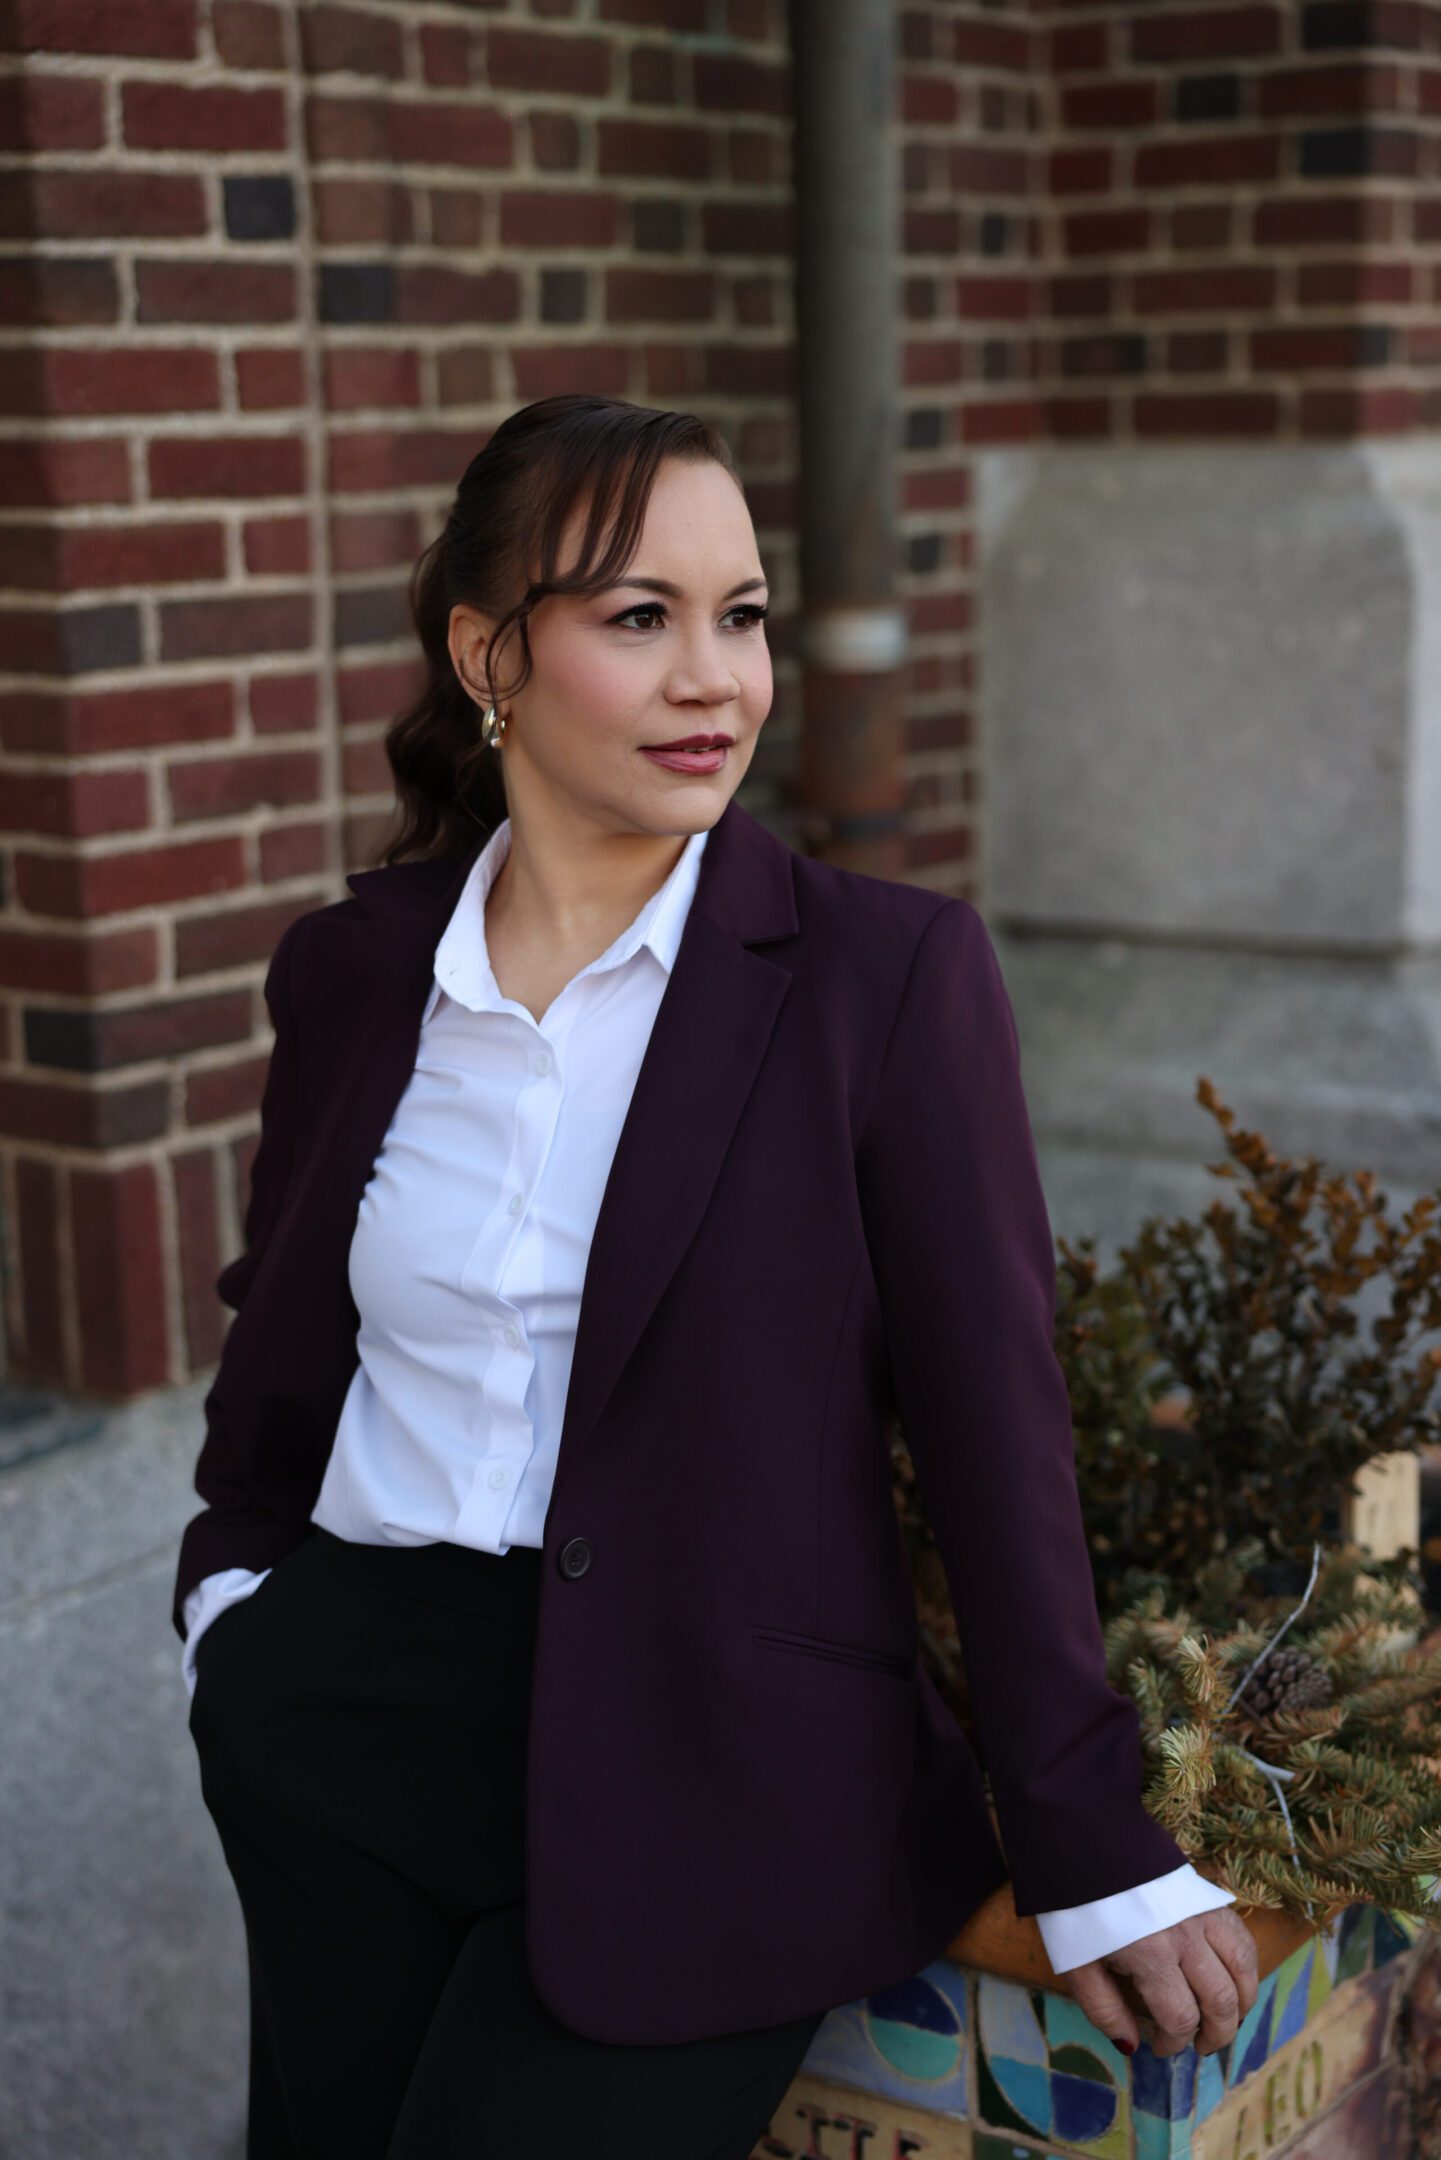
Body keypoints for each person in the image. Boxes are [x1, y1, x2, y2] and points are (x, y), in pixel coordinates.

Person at [175, 393, 1258, 2160]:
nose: (715, 680)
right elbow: (286, 1339)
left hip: (710, 1776)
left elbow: (993, 1426)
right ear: (487, 656)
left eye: (739, 616)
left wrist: (1084, 1834)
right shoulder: (356, 972)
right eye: (638, 617)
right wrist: (232, 1608)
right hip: (339, 1734)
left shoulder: (880, 979)